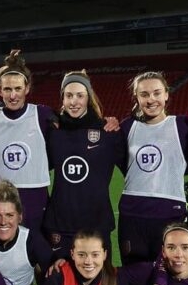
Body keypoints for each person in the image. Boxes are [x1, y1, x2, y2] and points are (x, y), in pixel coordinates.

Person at [42, 70, 126, 260]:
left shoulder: (108, 132)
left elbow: (132, 169)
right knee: (57, 283)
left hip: (97, 225)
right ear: (62, 98)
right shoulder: (53, 132)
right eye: (69, 95)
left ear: (89, 97)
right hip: (59, 226)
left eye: (80, 95)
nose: (74, 102)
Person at [118, 71, 188, 265]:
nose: (151, 99)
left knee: (170, 279)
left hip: (170, 216)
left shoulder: (183, 126)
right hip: (133, 216)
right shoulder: (127, 128)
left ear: (166, 94)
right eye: (144, 94)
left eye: (156, 93)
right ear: (136, 97)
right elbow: (124, 165)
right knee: (135, 278)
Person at [0, 50, 55, 233]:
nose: (13, 95)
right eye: (7, 89)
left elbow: (59, 147)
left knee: (35, 251)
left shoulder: (42, 115)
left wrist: (38, 167)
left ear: (27, 88)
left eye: (18, 89)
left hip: (35, 194)